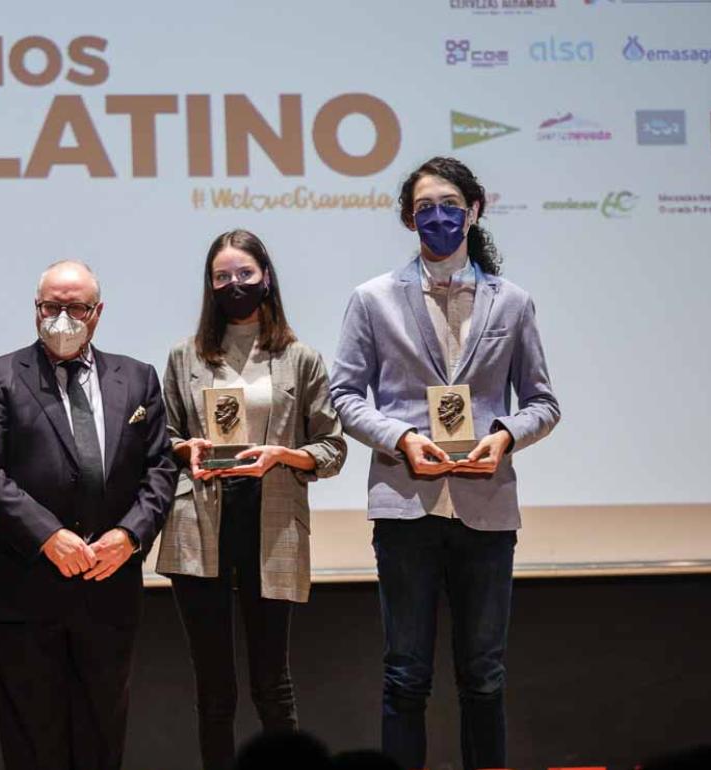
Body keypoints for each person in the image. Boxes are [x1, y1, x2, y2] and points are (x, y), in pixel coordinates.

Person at [329, 157, 561, 770]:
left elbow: (543, 402)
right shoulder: (373, 299)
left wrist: (505, 435)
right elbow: (344, 397)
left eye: (450, 204)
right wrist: (401, 439)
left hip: (486, 508)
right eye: (426, 206)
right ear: (410, 217)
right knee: (405, 676)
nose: (438, 216)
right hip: (407, 506)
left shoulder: (512, 303)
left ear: (474, 210)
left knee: (484, 676)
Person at [0, 260, 177, 770]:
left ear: (97, 312)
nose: (61, 317)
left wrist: (130, 535)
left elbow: (161, 469)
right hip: (26, 588)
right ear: (35, 309)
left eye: (74, 307)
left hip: (110, 588)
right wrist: (47, 536)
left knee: (102, 737)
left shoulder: (138, 377)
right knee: (33, 742)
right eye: (50, 306)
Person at [155, 229, 347, 770]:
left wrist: (280, 455)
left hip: (273, 521)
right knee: (214, 690)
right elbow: (162, 441)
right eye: (222, 277)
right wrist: (183, 447)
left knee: (273, 683)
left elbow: (332, 448)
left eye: (244, 274)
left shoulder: (300, 357)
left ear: (266, 277)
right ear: (209, 286)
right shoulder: (184, 355)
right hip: (201, 524)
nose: (234, 285)